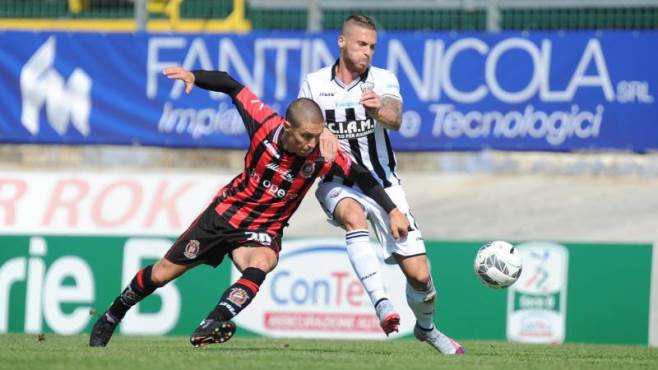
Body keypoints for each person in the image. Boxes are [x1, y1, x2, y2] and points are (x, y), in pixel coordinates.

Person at [89, 66, 410, 348]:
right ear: (287, 127)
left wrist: (392, 209)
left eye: (316, 136)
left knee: (263, 261)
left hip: (264, 229)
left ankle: (212, 323)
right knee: (160, 274)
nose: (311, 144)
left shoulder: (322, 154)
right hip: (225, 216)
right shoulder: (264, 124)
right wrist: (193, 77)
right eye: (305, 137)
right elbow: (231, 84)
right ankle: (114, 312)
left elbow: (362, 176)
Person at [298, 15, 464, 355]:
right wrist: (321, 131)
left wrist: (378, 111)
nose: (367, 52)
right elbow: (303, 123)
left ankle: (427, 329)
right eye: (361, 44)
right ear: (342, 42)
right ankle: (382, 304)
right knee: (353, 217)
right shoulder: (314, 83)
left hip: (384, 184)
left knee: (420, 277)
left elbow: (396, 117)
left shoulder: (382, 80)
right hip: (336, 181)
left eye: (372, 46)